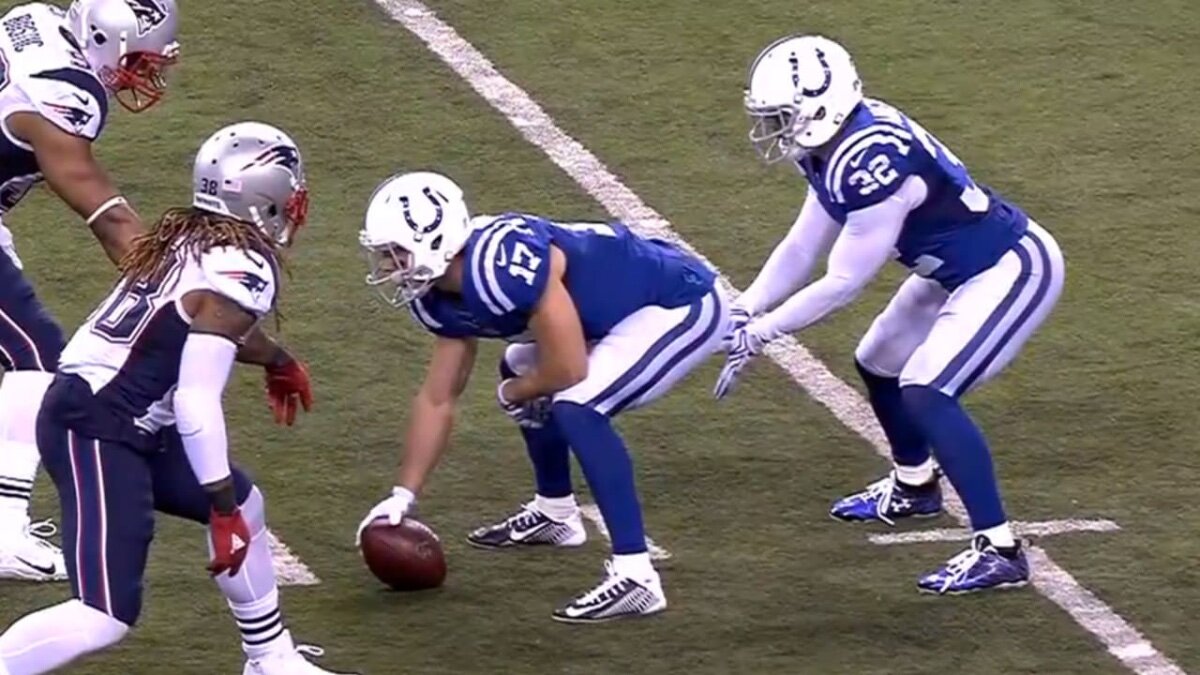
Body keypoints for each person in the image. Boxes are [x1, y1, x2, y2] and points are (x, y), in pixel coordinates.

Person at [716, 35, 1064, 594]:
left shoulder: (870, 159)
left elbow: (843, 282)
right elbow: (802, 246)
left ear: (819, 108)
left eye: (782, 114)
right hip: (951, 269)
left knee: (926, 388)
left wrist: (762, 333)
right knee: (878, 361)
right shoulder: (837, 144)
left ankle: (999, 549)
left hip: (1007, 267)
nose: (773, 126)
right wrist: (745, 306)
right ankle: (914, 485)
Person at [0, 122, 351, 675]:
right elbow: (195, 399)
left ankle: (271, 659)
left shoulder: (188, 237)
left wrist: (276, 358)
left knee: (249, 504)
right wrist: (220, 506)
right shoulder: (243, 267)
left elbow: (206, 323)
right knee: (103, 614)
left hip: (116, 409)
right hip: (97, 424)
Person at [0, 0, 311, 582]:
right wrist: (193, 283)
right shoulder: (67, 95)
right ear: (104, 37)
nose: (143, 76)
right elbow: (113, 223)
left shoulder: (35, 20)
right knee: (35, 355)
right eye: (139, 61)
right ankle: (4, 527)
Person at [355, 171, 728, 622]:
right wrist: (402, 496)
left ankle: (636, 575)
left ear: (434, 241)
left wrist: (516, 391)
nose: (388, 266)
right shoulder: (438, 294)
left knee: (577, 405)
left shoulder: (501, 266)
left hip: (677, 301)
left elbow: (569, 367)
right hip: (610, 316)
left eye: (395, 252)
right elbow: (438, 398)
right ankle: (557, 513)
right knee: (520, 364)